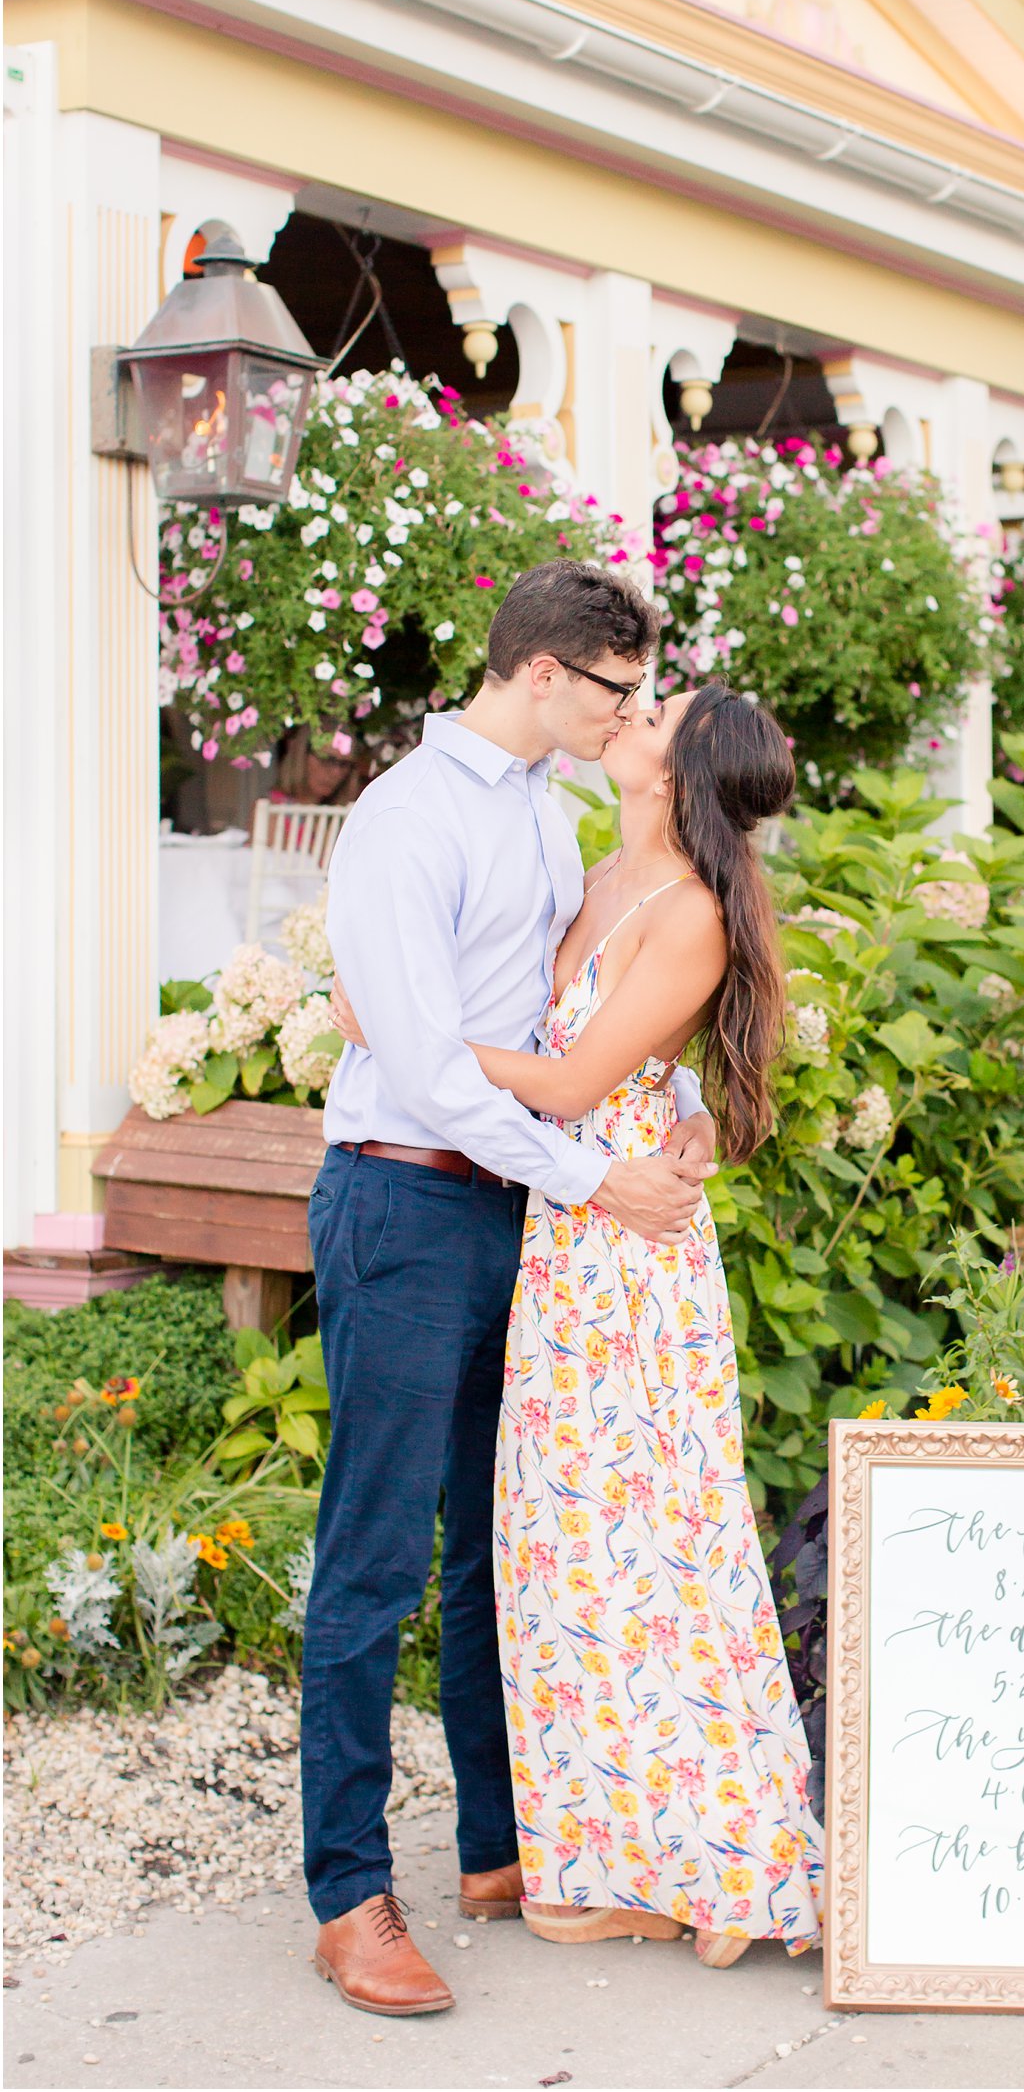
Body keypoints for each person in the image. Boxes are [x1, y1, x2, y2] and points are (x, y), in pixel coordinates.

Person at [334, 683, 826, 1969]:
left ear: (684, 772)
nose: (630, 716)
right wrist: (404, 1004)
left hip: (621, 1247)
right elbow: (573, 1046)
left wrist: (404, 1022)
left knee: (657, 1544)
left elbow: (560, 1077)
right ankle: (621, 1855)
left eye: (655, 713)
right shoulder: (588, 863)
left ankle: (733, 1865)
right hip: (557, 1229)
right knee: (568, 1557)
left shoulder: (690, 915)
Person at [303, 559, 718, 2019]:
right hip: (407, 1198)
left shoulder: (551, 818)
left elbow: (584, 1020)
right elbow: (415, 1059)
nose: (629, 715)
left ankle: (499, 1845)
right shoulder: (405, 819)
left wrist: (672, 1113)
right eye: (617, 688)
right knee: (373, 1549)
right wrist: (592, 1176)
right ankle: (350, 1892)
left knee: (499, 1543)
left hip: (520, 1221)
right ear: (544, 671)